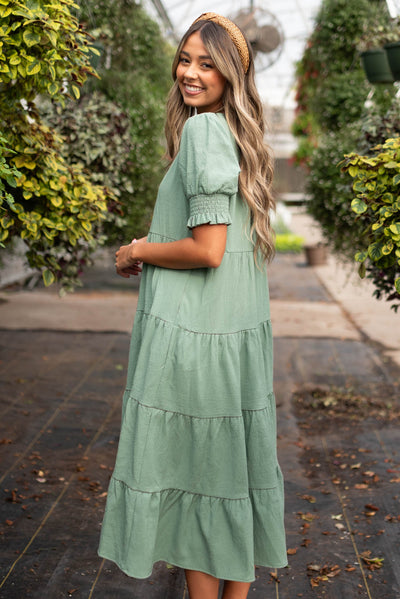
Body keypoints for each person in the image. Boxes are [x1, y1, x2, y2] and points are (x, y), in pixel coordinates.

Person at [98, 12, 287, 599]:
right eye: (185, 59)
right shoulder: (233, 136)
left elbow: (207, 250)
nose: (190, 72)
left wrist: (137, 249)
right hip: (228, 343)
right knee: (227, 485)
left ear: (233, 75)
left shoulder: (205, 132)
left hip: (194, 341)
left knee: (196, 491)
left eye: (207, 64)